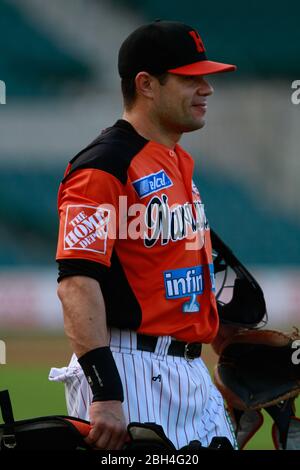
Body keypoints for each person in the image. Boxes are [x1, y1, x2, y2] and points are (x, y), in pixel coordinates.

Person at [49, 20, 238, 451]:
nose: (206, 88)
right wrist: (105, 392)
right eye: (191, 78)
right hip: (129, 372)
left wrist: (221, 337)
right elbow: (77, 283)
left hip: (187, 371)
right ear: (147, 84)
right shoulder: (104, 164)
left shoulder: (176, 160)